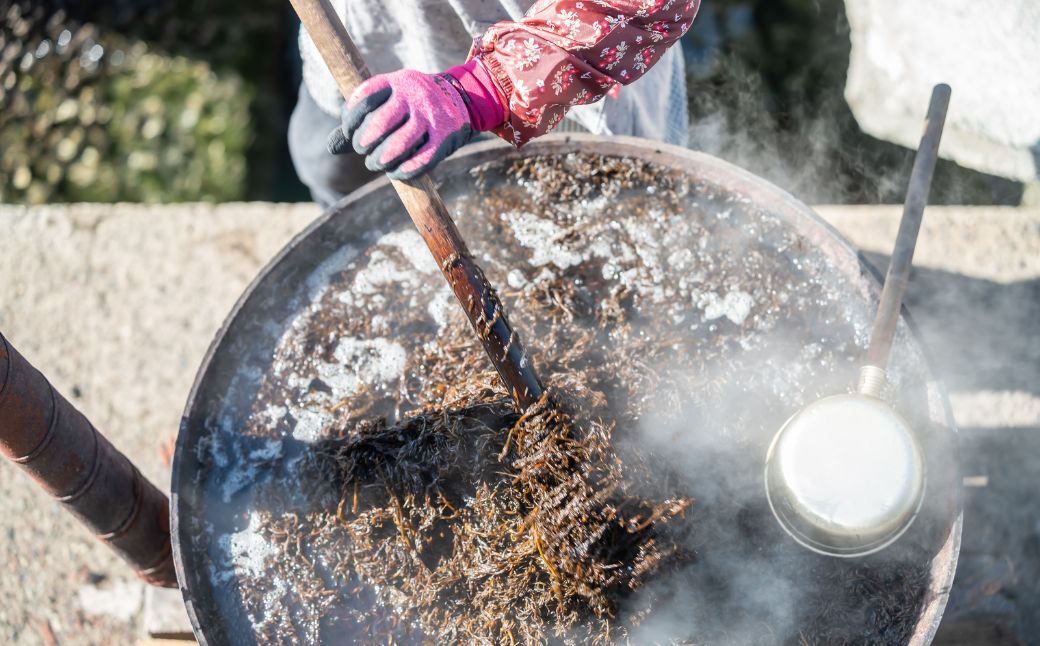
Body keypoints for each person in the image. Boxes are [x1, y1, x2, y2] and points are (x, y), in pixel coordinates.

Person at [290, 0, 700, 208]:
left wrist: (484, 87)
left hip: (564, 61)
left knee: (601, 213)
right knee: (334, 171)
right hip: (371, 29)